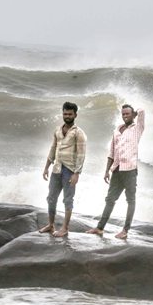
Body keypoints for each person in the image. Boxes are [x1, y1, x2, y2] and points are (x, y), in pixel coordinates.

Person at [86, 104, 145, 239]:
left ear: (133, 115)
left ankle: (125, 230)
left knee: (130, 200)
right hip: (117, 171)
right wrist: (107, 171)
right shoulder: (117, 131)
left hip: (130, 170)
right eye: (123, 114)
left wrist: (136, 113)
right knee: (110, 199)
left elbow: (142, 111)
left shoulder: (137, 129)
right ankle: (100, 228)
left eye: (127, 114)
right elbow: (111, 153)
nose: (125, 116)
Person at [39, 101, 87, 237]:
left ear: (75, 115)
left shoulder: (79, 133)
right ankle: (51, 224)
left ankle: (65, 228)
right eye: (65, 113)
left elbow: (81, 155)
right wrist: (46, 167)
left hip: (69, 170)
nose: (67, 116)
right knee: (51, 198)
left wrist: (76, 174)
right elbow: (53, 148)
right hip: (57, 168)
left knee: (68, 199)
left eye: (70, 114)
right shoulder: (58, 130)